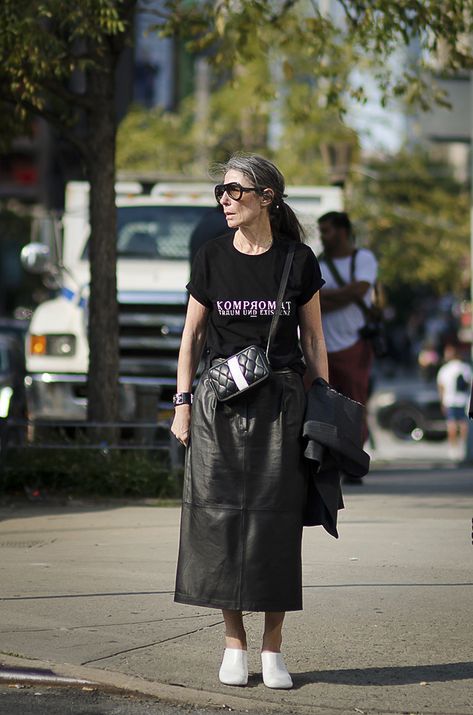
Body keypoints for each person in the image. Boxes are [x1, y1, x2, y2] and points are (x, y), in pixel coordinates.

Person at [171, 154, 328, 690]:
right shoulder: (210, 256)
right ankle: (233, 644)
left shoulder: (298, 259)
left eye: (235, 191)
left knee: (275, 523)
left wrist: (324, 406)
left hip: (282, 405)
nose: (225, 200)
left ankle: (273, 649)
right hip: (218, 404)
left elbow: (314, 341)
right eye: (221, 191)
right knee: (217, 522)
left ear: (267, 197)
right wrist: (182, 403)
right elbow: (190, 339)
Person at [317, 211, 378, 440]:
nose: (322, 236)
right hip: (321, 347)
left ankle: (353, 459)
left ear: (342, 232)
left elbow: (359, 290)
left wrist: (325, 298)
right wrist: (343, 296)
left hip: (354, 343)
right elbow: (312, 299)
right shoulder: (318, 262)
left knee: (354, 404)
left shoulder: (362, 258)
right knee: (322, 405)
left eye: (326, 231)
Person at [436, 343, 472, 461]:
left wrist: (442, 401)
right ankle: (464, 447)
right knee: (463, 425)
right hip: (463, 400)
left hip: (450, 400)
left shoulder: (445, 369)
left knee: (451, 425)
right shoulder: (465, 367)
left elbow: (441, 387)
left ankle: (453, 449)